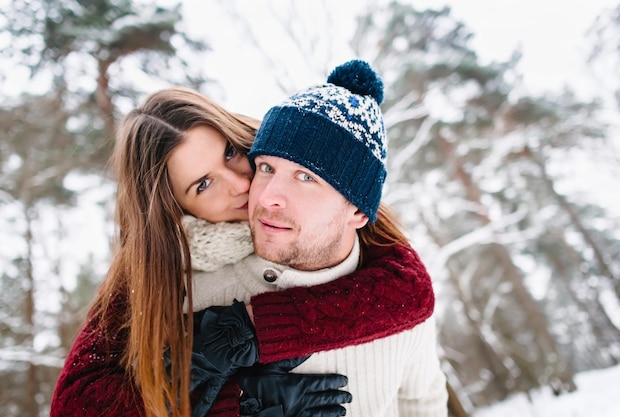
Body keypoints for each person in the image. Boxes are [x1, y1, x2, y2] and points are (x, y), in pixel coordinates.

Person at [50, 81, 437, 417]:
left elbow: (411, 291)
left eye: (231, 152)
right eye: (203, 184)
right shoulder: (162, 271)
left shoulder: (311, 179)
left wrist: (251, 327)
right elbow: (76, 405)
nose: (240, 184)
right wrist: (228, 402)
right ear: (177, 211)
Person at [187, 60, 448, 417]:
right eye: (266, 168)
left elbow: (423, 401)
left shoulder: (403, 306)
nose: (266, 197)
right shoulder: (198, 299)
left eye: (305, 177)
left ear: (357, 210)